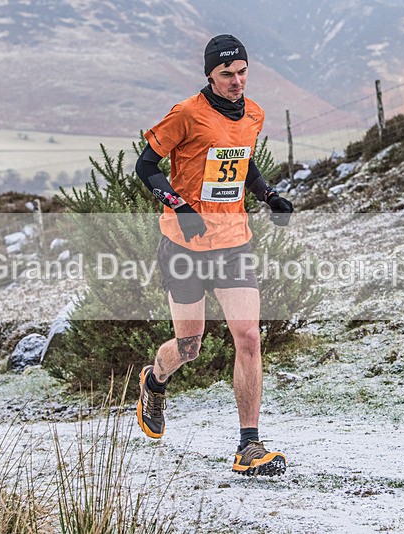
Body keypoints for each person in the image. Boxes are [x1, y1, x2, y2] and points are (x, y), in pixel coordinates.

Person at [134, 34, 294, 476]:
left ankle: (249, 445)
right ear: (210, 74)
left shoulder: (254, 113)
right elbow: (146, 166)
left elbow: (242, 163)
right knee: (189, 346)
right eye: (227, 74)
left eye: (242, 72)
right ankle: (154, 380)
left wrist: (268, 195)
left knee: (248, 336)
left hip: (232, 242)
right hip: (184, 244)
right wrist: (179, 206)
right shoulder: (186, 114)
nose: (237, 81)